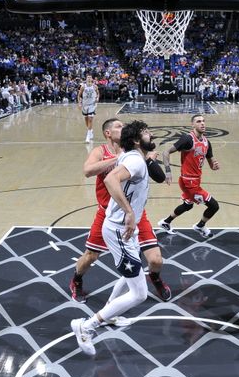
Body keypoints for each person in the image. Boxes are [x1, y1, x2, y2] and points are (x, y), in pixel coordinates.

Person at [70, 120, 157, 356]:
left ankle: (110, 312)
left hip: (124, 227)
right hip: (120, 229)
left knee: (136, 271)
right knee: (139, 293)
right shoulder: (135, 160)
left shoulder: (131, 156)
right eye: (147, 132)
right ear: (138, 140)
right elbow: (109, 180)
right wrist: (129, 212)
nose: (151, 134)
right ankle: (87, 326)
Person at [69, 118, 171, 304]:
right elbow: (87, 171)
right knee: (91, 256)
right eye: (118, 126)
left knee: (156, 260)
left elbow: (158, 175)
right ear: (108, 133)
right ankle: (76, 280)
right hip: (109, 214)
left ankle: (154, 277)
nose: (123, 128)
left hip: (135, 214)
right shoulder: (101, 151)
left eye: (124, 126)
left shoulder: (132, 152)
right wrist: (118, 159)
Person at [158, 114, 220, 239]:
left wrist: (215, 166)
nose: (202, 123)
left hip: (195, 180)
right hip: (188, 181)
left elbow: (211, 164)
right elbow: (166, 152)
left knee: (188, 205)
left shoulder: (207, 142)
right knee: (214, 205)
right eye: (198, 121)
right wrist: (168, 172)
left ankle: (166, 222)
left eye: (203, 121)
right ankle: (200, 226)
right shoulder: (187, 139)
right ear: (193, 125)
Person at [77, 75, 100, 143]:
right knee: (86, 119)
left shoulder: (95, 86)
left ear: (92, 79)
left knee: (90, 119)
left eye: (90, 77)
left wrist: (97, 98)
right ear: (86, 79)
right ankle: (90, 130)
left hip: (92, 104)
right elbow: (79, 95)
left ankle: (88, 136)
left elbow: (98, 93)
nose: (89, 78)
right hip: (85, 104)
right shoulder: (83, 86)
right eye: (88, 77)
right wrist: (79, 103)